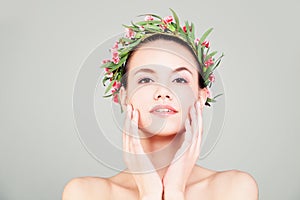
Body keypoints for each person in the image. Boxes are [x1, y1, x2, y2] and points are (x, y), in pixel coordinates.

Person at [62, 9, 258, 200]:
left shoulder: (233, 189)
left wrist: (174, 191)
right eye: (146, 80)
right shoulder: (86, 194)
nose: (163, 92)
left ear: (201, 97)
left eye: (180, 80)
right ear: (123, 96)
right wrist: (149, 194)